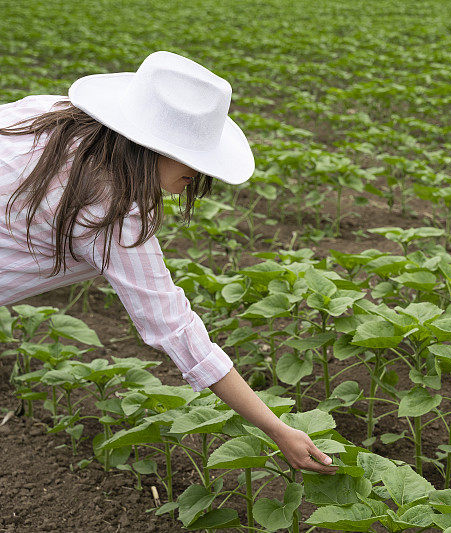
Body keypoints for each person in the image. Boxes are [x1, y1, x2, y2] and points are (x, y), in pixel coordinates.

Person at [0, 51, 337, 474]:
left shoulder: (51, 117)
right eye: (192, 158)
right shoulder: (108, 211)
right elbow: (176, 328)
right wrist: (276, 428)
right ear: (150, 147)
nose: (197, 175)